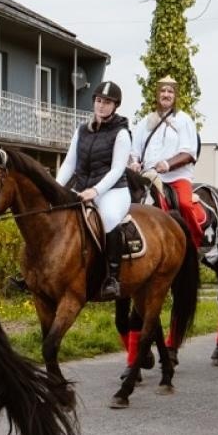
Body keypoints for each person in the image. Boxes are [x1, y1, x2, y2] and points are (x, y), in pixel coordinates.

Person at [56, 79, 132, 301]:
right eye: (99, 100)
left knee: (108, 218)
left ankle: (112, 278)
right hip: (81, 188)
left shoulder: (121, 133)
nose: (101, 105)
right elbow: (69, 164)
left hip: (113, 191)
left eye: (107, 102)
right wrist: (55, 188)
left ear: (115, 106)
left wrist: (96, 191)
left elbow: (117, 169)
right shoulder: (82, 130)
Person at [129, 76, 207, 251]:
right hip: (147, 176)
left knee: (185, 204)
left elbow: (189, 153)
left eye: (170, 91)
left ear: (175, 95)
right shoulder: (144, 122)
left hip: (176, 177)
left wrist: (167, 164)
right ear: (157, 94)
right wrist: (134, 163)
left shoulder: (184, 120)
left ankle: (195, 243)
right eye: (163, 91)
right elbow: (134, 151)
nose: (166, 94)